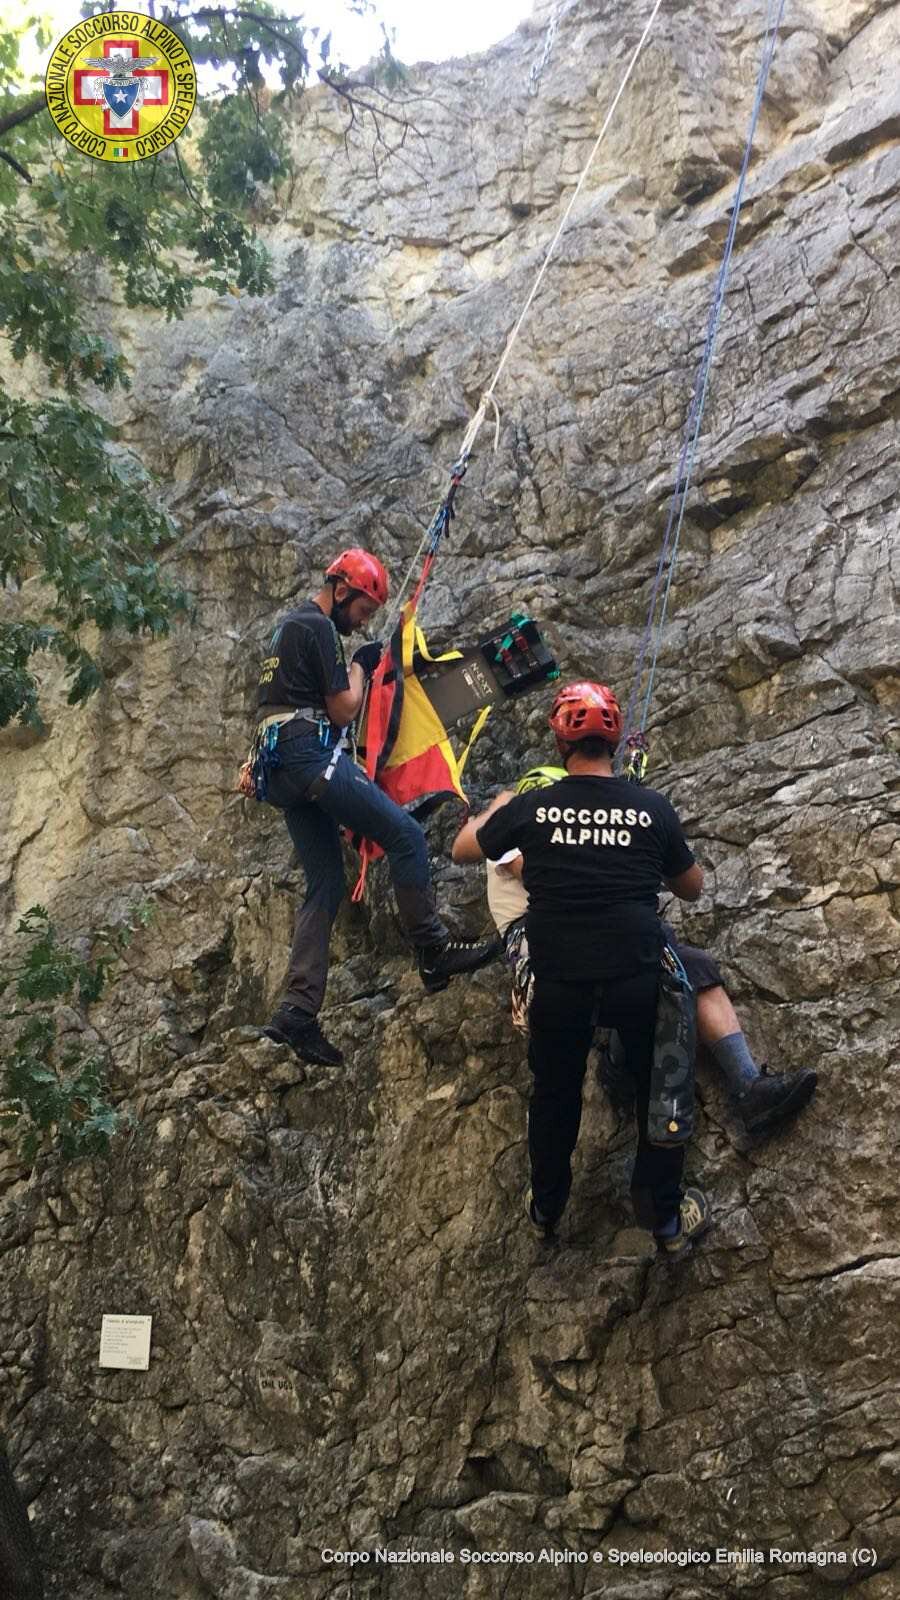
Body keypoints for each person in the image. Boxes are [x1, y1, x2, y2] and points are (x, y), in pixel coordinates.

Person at [454, 680, 710, 1256]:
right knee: (660, 1082)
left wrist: (510, 812)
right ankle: (664, 1220)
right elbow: (691, 888)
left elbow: (469, 845)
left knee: (555, 1094)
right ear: (614, 741)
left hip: (560, 981)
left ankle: (546, 1206)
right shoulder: (652, 808)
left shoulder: (532, 807)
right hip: (635, 977)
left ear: (559, 740)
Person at [454, 766, 817, 1138]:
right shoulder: (518, 830)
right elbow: (520, 864)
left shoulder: (542, 825)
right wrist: (502, 802)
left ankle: (745, 1083)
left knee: (687, 965)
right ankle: (619, 1064)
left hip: (581, 949)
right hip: (546, 958)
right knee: (640, 964)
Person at [255, 548, 499, 1065]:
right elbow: (343, 709)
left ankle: (296, 1014)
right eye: (363, 610)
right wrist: (362, 667)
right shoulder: (316, 625)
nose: (360, 621)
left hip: (278, 770)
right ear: (342, 590)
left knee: (324, 882)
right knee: (405, 836)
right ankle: (433, 951)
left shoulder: (285, 629)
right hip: (308, 754)